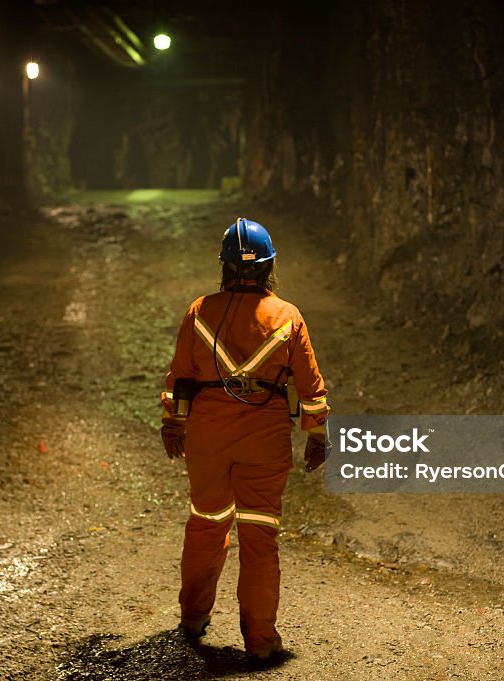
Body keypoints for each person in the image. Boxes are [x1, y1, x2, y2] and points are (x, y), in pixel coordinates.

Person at [159, 217, 330, 662]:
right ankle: (259, 641)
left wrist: (173, 424)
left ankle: (193, 618)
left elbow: (180, 380)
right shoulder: (288, 317)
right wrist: (316, 434)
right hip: (265, 440)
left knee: (205, 526)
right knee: (259, 538)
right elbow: (311, 388)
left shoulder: (200, 311)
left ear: (225, 267)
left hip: (208, 439)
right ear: (269, 266)